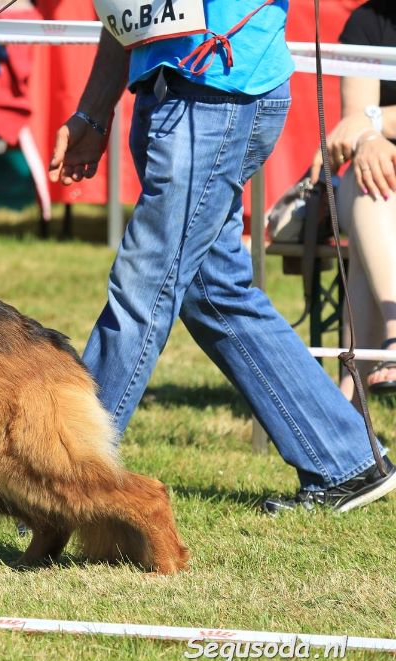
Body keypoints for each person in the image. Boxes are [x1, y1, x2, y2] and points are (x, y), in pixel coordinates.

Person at [50, 0, 396, 512]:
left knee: (144, 285)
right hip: (179, 94)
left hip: (217, 93)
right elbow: (125, 10)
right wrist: (93, 113)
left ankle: (67, 481)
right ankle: (345, 459)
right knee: (214, 293)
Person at [309, 0, 396, 400]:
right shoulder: (368, 21)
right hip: (375, 182)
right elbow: (349, 129)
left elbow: (364, 117)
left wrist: (375, 121)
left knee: (367, 239)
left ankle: (349, 401)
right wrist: (369, 138)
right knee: (371, 182)